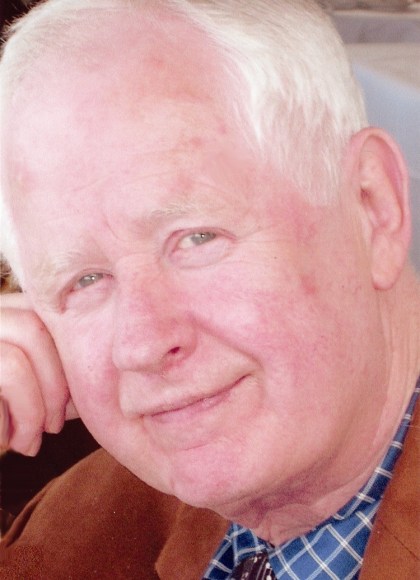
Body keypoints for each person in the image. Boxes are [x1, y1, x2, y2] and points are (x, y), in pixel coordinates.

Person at [0, 0, 418, 577]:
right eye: (86, 280)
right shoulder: (75, 530)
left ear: (372, 207)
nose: (144, 344)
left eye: (197, 238)